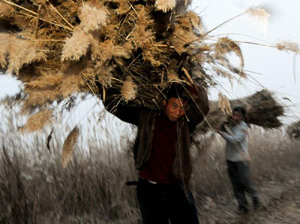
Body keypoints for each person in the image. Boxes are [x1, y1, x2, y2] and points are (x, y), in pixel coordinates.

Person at [102, 83, 209, 224]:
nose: (178, 112)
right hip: (149, 189)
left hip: (176, 187)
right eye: (174, 106)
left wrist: (193, 86)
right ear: (164, 103)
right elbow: (116, 108)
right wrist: (104, 87)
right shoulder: (147, 118)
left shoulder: (185, 124)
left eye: (183, 108)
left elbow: (204, 108)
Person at [217, 106, 262, 214]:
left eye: (238, 115)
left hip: (241, 159)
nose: (236, 117)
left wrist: (221, 133)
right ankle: (243, 206)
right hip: (230, 159)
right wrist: (219, 125)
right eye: (234, 114)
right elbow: (219, 126)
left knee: (244, 182)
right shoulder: (228, 124)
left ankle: (255, 198)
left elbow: (235, 140)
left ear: (242, 116)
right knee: (235, 184)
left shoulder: (244, 127)